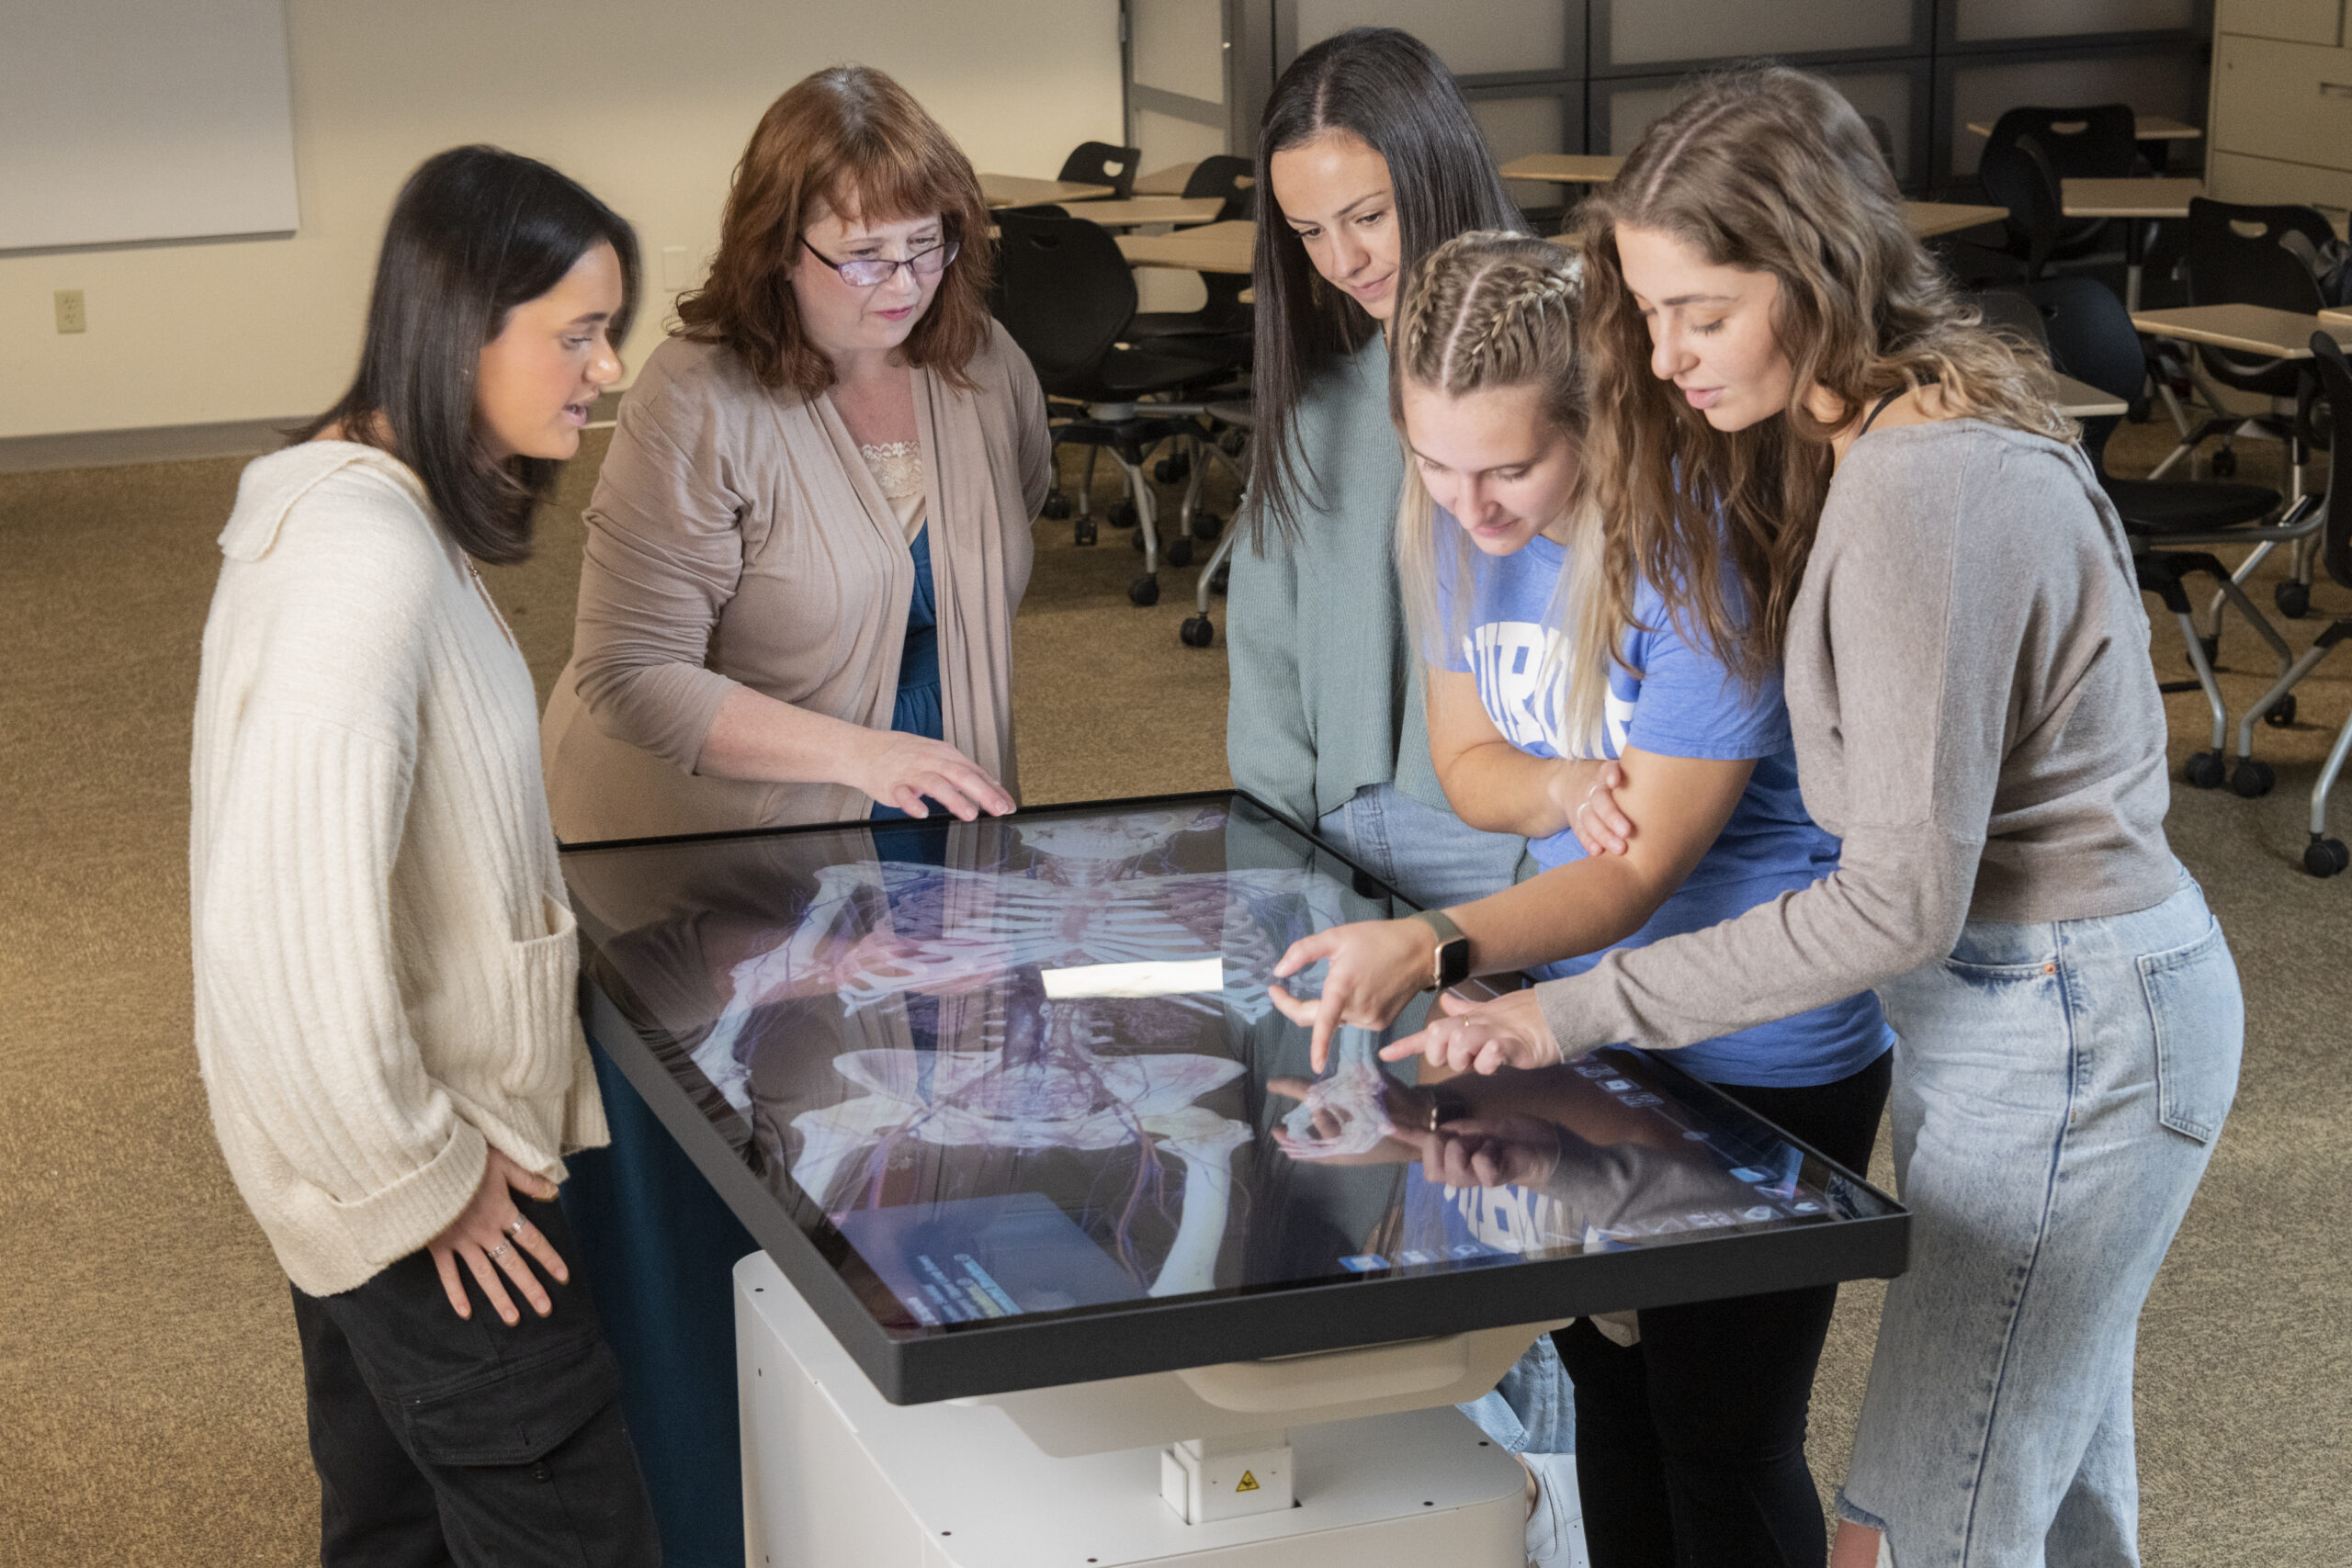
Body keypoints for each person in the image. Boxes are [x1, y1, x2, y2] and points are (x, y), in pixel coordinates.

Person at [1390, 68, 2244, 1568]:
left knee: (1915, 1528)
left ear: (1820, 271)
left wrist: (1560, 1014)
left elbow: (1892, 902)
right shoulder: (1869, 442)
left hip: (2070, 1023)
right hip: (2020, 1012)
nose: (1661, 359)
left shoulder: (1924, 490)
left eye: (1700, 314)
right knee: (2053, 1495)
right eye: (1645, 315)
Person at [1272, 230, 1894, 1568]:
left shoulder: (1695, 557)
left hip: (1755, 1040)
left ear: (1598, 422)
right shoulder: (1444, 527)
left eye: (1509, 467)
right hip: (1573, 1028)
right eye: (1436, 462)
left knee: (1721, 1434)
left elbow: (1641, 872)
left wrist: (1437, 945)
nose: (1470, 504)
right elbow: (1467, 764)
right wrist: (1558, 789)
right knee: (1609, 1392)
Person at [188, 145, 658, 1566]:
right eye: (577, 333)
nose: (610, 369)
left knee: (397, 1527)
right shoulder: (359, 565)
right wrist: (422, 1179)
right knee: (574, 1529)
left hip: (372, 1158)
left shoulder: (371, 510)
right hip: (423, 1173)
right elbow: (277, 927)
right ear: (465, 328)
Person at [539, 64, 1050, 844]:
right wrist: (863, 755)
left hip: (941, 788)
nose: (906, 284)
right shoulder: (698, 395)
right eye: (865, 255)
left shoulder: (981, 360)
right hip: (739, 827)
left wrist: (903, 760)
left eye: (926, 243)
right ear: (780, 249)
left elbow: (1024, 497)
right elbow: (631, 673)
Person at [1231, 26, 1532, 911]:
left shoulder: (1582, 372)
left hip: (1533, 846)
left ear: (1439, 171)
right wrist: (1268, 866)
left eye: (1369, 216)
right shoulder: (1319, 401)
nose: (1343, 261)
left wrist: (1553, 872)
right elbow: (1267, 663)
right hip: (1339, 837)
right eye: (1309, 231)